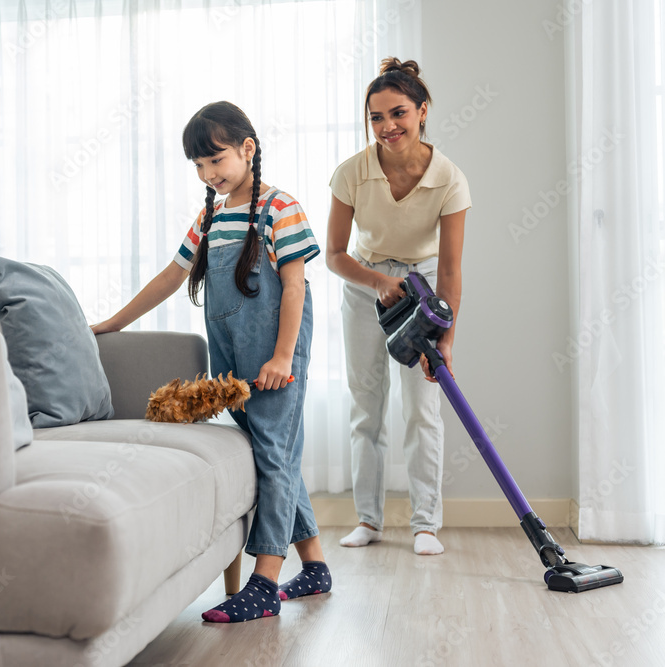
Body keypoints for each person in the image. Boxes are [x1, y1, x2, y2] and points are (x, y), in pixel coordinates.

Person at [92, 101, 330, 622]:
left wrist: (283, 355)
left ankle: (264, 583)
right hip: (232, 357)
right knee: (275, 449)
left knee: (273, 451)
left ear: (248, 149)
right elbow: (170, 277)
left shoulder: (279, 207)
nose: (208, 174)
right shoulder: (213, 215)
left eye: (215, 160)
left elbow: (294, 287)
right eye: (198, 167)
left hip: (274, 355)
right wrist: (112, 323)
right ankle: (314, 565)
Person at [326, 58, 471, 556]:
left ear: (423, 111)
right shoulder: (352, 173)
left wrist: (446, 339)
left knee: (422, 410)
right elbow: (335, 255)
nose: (387, 126)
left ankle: (425, 524)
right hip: (367, 282)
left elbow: (450, 269)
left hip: (424, 286)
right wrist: (378, 282)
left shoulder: (449, 179)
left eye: (399, 113)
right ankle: (368, 519)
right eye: (376, 117)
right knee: (366, 405)